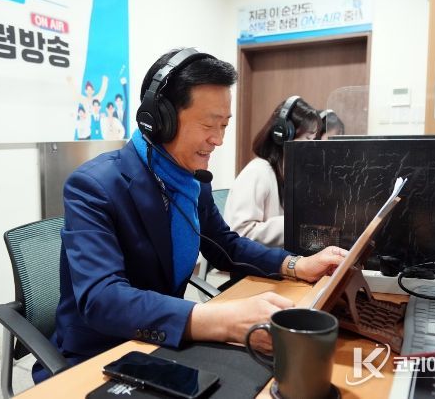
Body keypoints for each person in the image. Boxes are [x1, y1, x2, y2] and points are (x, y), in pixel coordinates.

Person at [34, 48, 346, 383]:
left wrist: (296, 265)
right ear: (159, 119)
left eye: (224, 125)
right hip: (100, 354)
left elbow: (226, 246)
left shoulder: (191, 181)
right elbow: (103, 300)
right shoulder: (94, 186)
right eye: (209, 125)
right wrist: (220, 320)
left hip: (162, 345)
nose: (219, 139)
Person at [224, 96, 322, 247]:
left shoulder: (287, 173)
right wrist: (295, 223)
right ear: (284, 134)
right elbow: (241, 233)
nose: (312, 147)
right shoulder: (257, 172)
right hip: (249, 260)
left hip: (275, 257)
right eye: (308, 138)